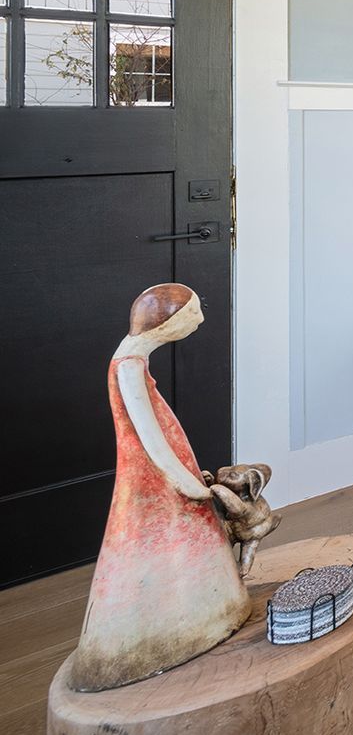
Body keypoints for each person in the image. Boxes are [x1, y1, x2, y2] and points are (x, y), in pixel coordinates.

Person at [68, 286, 250, 691]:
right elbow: (149, 437)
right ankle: (174, 623)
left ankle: (204, 608)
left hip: (169, 467)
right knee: (158, 537)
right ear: (167, 323)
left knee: (181, 537)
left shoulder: (130, 359)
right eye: (193, 314)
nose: (200, 320)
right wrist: (187, 483)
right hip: (153, 475)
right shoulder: (128, 367)